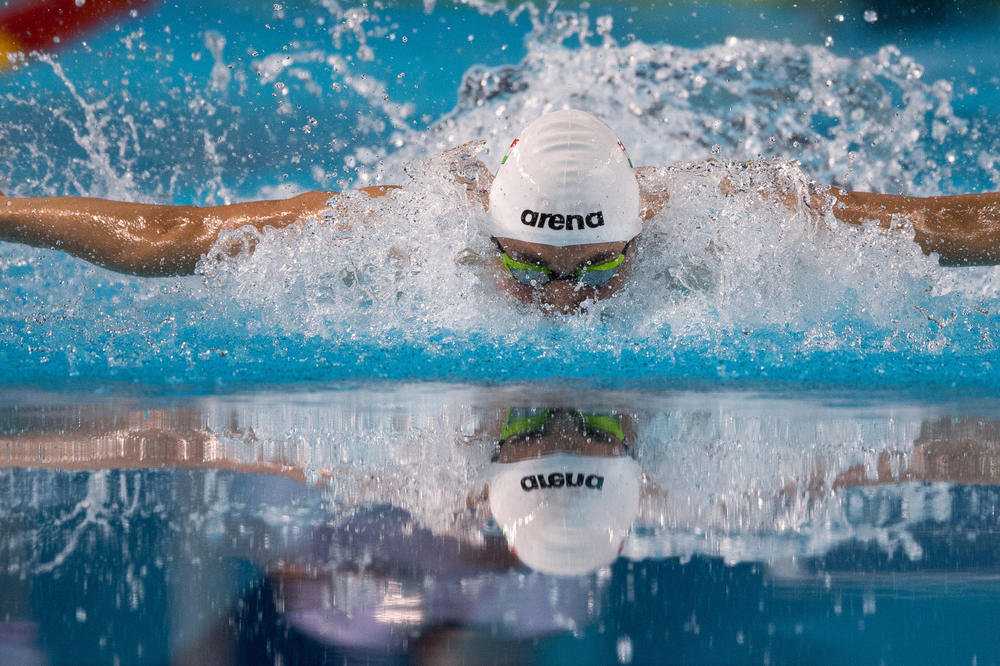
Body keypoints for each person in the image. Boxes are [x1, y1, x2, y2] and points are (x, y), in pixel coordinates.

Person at [4, 109, 1000, 313]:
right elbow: (179, 238)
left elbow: (949, 226)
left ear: (641, 237)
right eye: (528, 269)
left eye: (598, 270)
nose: (563, 296)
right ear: (485, 231)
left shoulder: (732, 223)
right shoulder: (404, 231)